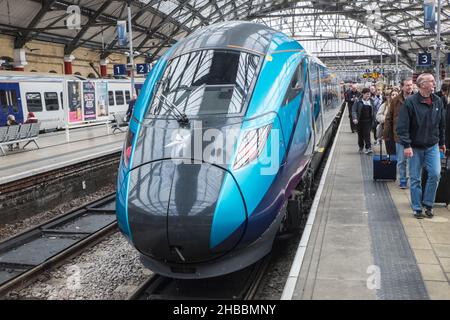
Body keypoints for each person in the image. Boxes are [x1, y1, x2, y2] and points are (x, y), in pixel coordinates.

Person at [396, 73, 446, 219]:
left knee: (435, 174)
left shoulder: (437, 101)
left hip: (432, 146)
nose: (434, 83)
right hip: (415, 147)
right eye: (431, 81)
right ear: (422, 84)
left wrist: (442, 142)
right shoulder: (410, 102)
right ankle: (417, 208)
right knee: (416, 178)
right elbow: (402, 127)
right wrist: (406, 145)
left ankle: (428, 204)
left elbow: (441, 124)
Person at [384, 78, 414, 189]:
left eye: (411, 85)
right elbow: (389, 117)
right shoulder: (395, 100)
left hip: (414, 136)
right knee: (401, 160)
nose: (409, 87)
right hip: (399, 135)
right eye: (407, 85)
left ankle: (411, 179)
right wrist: (386, 134)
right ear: (402, 87)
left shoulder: (417, 99)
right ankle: (402, 179)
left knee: (412, 161)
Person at [352, 88, 375, 154]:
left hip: (368, 121)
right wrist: (355, 118)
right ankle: (361, 146)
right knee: (360, 135)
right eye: (367, 94)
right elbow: (354, 110)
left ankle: (368, 147)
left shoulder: (371, 101)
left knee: (367, 134)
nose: (368, 96)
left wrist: (375, 119)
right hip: (359, 121)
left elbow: (374, 111)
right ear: (363, 94)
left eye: (369, 94)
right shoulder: (358, 101)